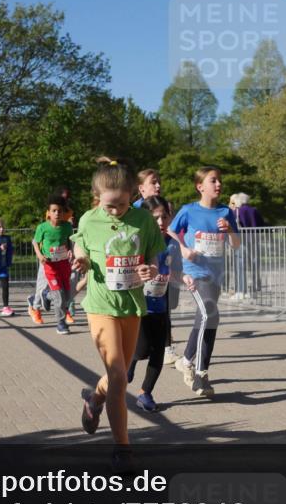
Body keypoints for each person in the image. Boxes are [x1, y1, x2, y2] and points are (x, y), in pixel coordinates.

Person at [72, 158, 164, 471]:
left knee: (120, 375)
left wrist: (150, 268)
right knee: (117, 375)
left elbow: (153, 255)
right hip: (100, 305)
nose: (116, 211)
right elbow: (80, 247)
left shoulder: (143, 219)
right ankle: (123, 448)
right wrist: (81, 260)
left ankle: (94, 399)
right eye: (109, 206)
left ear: (131, 194)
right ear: (97, 198)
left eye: (122, 204)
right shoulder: (88, 219)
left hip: (131, 305)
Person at [169, 165, 239, 399]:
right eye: (213, 181)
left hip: (215, 274)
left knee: (205, 319)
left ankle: (186, 360)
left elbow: (236, 244)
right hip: (195, 273)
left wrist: (230, 230)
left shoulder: (225, 213)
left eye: (219, 181)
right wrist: (184, 249)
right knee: (210, 316)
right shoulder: (188, 211)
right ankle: (201, 374)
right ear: (200, 187)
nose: (219, 184)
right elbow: (169, 231)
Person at [126, 195, 182, 412]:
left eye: (165, 217)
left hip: (161, 306)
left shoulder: (173, 245)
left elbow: (176, 271)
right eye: (156, 218)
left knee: (159, 353)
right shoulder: (139, 242)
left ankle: (145, 393)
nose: (161, 222)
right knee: (141, 351)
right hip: (140, 307)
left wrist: (183, 277)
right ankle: (130, 363)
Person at [30, 198, 74, 334]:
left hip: (64, 264)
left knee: (67, 295)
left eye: (59, 211)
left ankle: (46, 294)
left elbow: (69, 241)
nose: (57, 213)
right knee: (59, 296)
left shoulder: (67, 226)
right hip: (50, 266)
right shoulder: (42, 227)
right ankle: (61, 323)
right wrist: (39, 255)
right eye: (54, 211)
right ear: (48, 213)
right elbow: (35, 242)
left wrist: (71, 251)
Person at [230, 192, 265, 298]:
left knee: (241, 264)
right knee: (254, 263)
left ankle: (241, 290)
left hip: (242, 240)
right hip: (254, 239)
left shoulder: (237, 211)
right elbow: (261, 224)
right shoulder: (254, 210)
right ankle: (255, 285)